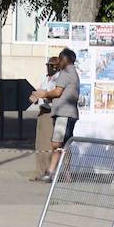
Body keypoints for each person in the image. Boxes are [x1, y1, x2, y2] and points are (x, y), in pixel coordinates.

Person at [31, 47, 80, 181]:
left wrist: (44, 94)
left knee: (57, 144)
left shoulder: (65, 73)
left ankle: (55, 172)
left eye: (59, 59)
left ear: (65, 59)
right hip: (66, 113)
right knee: (60, 144)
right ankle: (52, 172)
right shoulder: (73, 72)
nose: (58, 63)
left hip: (64, 113)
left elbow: (57, 92)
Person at [28, 57, 59, 180]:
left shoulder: (59, 79)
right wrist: (35, 97)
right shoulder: (45, 78)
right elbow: (40, 91)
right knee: (40, 144)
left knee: (49, 144)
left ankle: (48, 171)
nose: (49, 68)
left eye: (51, 66)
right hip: (42, 111)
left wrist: (44, 95)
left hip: (51, 111)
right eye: (48, 65)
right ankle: (40, 170)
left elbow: (55, 94)